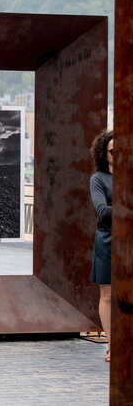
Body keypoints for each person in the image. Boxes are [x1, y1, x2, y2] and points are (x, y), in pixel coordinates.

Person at [89, 129, 113, 363]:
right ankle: (112, 345)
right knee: (107, 294)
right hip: (107, 239)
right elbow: (102, 211)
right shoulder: (98, 179)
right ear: (104, 154)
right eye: (114, 151)